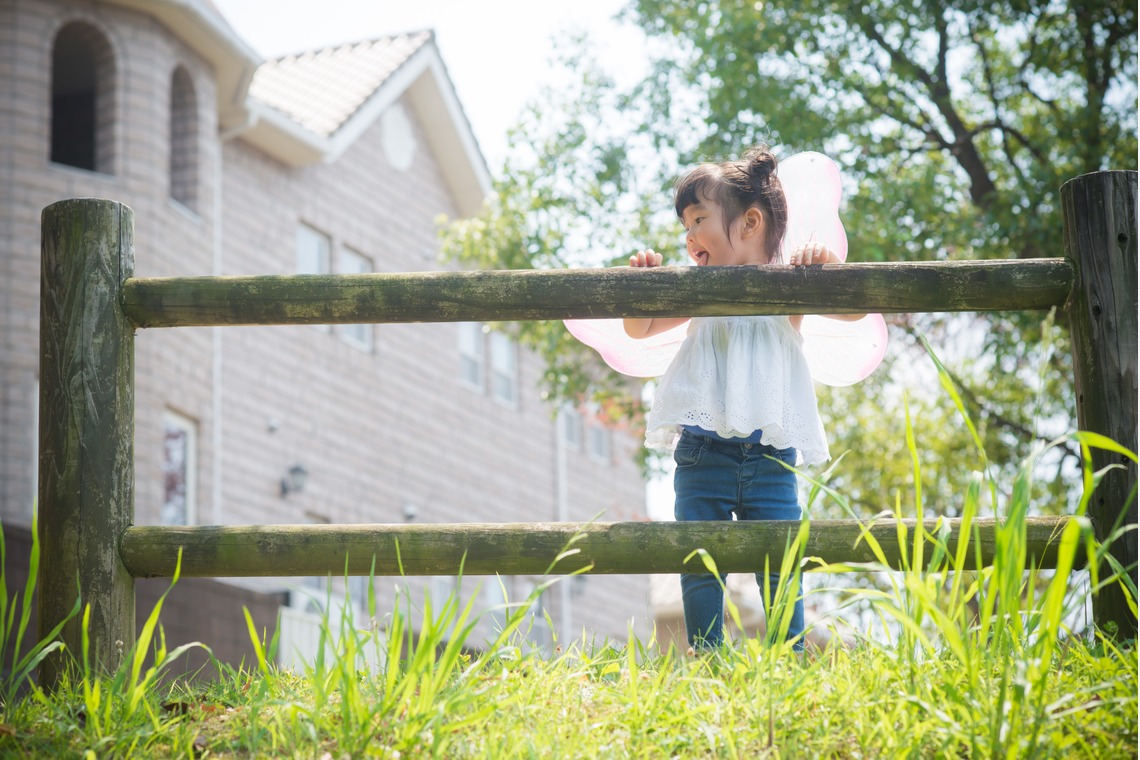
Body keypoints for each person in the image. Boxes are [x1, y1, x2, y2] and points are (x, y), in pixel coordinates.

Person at [622, 145, 866, 653]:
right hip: (702, 452)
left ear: (750, 222)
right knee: (700, 561)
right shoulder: (697, 291)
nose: (688, 237)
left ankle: (788, 659)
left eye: (698, 220)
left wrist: (826, 266)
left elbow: (855, 311)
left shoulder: (787, 288)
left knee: (780, 564)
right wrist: (640, 286)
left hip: (772, 457)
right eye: (685, 226)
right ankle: (707, 656)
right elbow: (640, 328)